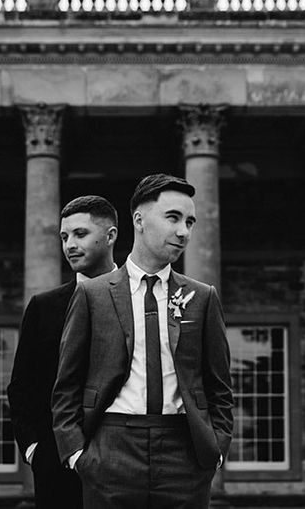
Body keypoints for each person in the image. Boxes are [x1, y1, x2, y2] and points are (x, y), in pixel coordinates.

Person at [52, 174, 233, 509]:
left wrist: (217, 449)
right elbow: (67, 384)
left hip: (184, 453)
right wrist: (77, 454)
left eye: (190, 222)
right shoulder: (92, 295)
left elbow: (220, 386)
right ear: (139, 220)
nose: (184, 232)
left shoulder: (202, 297)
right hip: (111, 448)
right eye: (173, 217)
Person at [8, 195, 119, 509]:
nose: (70, 244)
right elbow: (22, 385)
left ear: (110, 236)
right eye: (64, 236)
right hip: (56, 465)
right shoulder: (44, 306)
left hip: (129, 463)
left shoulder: (141, 297)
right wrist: (34, 449)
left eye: (80, 234)